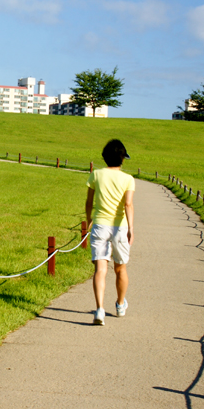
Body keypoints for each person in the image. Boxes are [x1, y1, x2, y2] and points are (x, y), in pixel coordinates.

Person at [85, 139, 135, 325]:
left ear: (105, 158)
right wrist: (131, 227)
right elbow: (128, 204)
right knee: (120, 268)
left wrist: (89, 218)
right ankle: (120, 305)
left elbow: (89, 202)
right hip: (120, 227)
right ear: (122, 159)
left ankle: (99, 309)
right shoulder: (128, 179)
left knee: (100, 269)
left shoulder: (96, 175)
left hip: (99, 225)